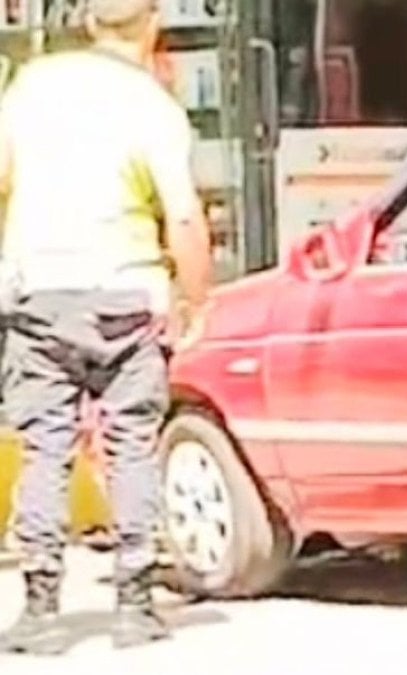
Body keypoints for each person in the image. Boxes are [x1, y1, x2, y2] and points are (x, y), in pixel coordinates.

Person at [0, 0, 212, 655]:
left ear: (90, 23)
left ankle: (39, 610)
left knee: (46, 450)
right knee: (130, 447)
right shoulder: (154, 107)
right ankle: (134, 604)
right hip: (128, 297)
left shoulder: (32, 86)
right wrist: (196, 300)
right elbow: (183, 217)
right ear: (152, 25)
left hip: (40, 295)